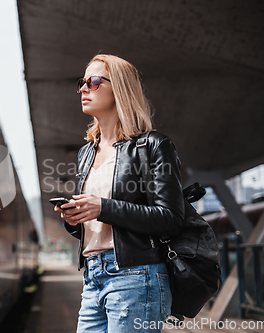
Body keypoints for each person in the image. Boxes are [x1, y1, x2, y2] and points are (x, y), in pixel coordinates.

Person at [54, 54, 185, 332]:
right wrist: (74, 219)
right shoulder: (86, 153)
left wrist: (102, 207)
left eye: (95, 81)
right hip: (93, 278)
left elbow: (171, 218)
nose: (84, 88)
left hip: (137, 277)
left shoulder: (153, 146)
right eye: (82, 82)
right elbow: (94, 227)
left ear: (121, 88)